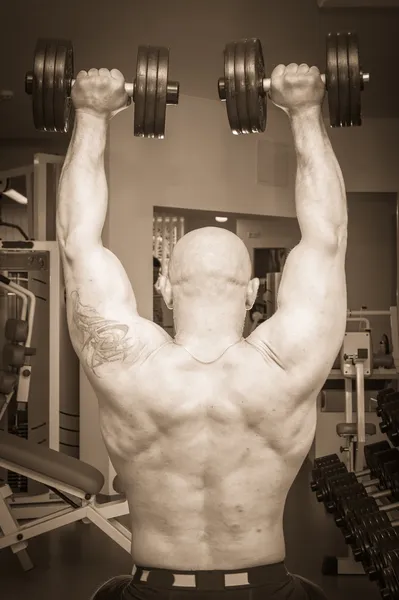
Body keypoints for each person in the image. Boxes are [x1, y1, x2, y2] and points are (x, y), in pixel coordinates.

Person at [56, 62, 347, 599]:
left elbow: (77, 241)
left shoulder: (129, 365)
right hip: (265, 587)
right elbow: (326, 237)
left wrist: (91, 113)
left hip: (153, 588)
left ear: (165, 287)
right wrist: (306, 109)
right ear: (254, 292)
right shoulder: (287, 360)